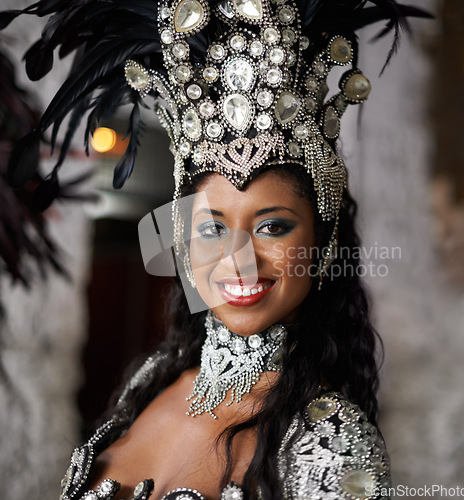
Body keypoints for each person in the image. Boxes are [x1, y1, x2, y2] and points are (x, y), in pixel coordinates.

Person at [1, 0, 431, 498]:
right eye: (211, 228)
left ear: (323, 241)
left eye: (272, 227)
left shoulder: (331, 447)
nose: (237, 260)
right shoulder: (149, 383)